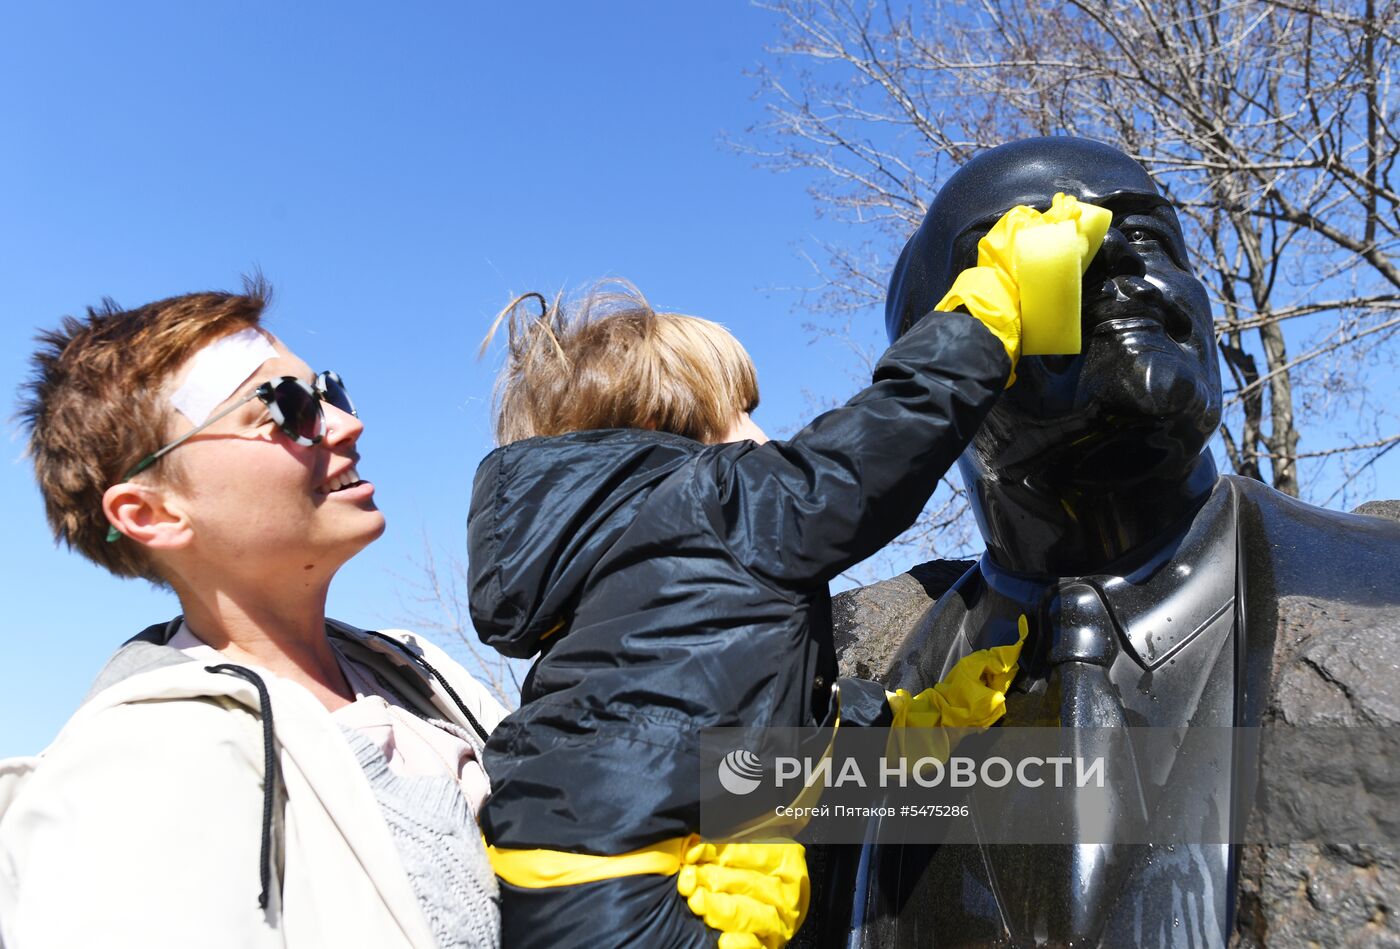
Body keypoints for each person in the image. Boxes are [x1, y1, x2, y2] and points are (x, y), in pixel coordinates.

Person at [467, 201, 1109, 949]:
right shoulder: (709, 503)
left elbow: (760, 754)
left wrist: (929, 724)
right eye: (739, 414)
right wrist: (993, 305)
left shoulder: (613, 584)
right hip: (635, 891)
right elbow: (878, 447)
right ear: (659, 430)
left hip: (553, 876)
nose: (763, 438)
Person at [841, 137, 1400, 947]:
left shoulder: (1379, 577)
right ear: (927, 373)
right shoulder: (828, 675)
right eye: (1035, 249)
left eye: (1149, 237)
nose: (1112, 257)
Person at [0, 279, 507, 949]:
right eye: (286, 408)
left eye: (330, 392)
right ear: (151, 513)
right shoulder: (125, 776)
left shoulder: (419, 670)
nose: (348, 425)